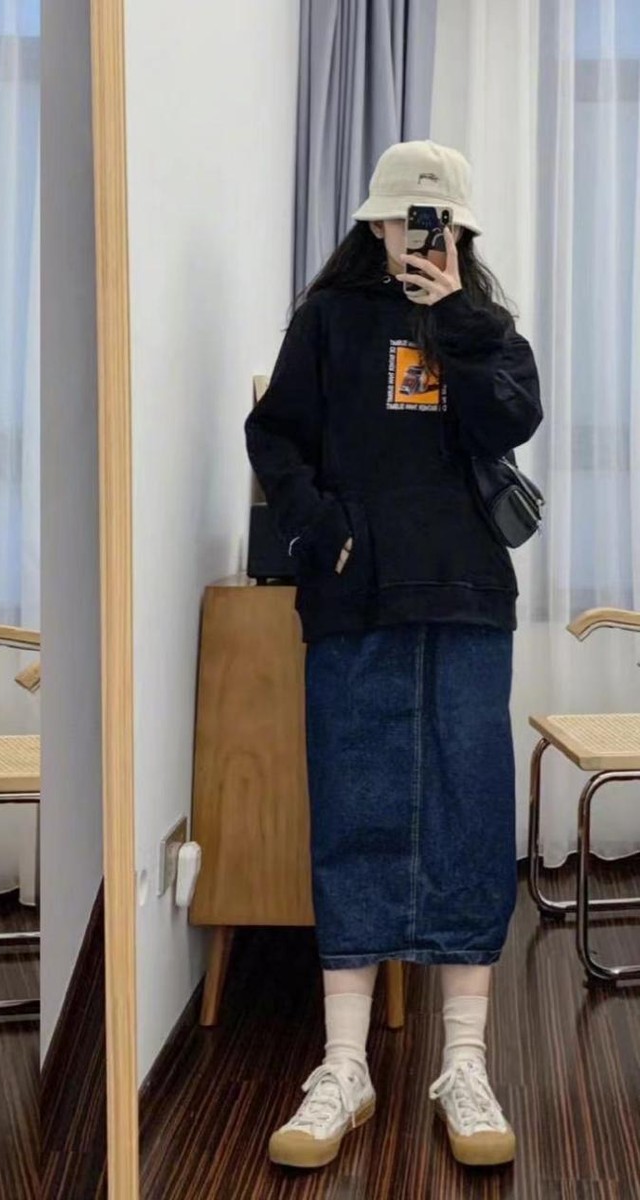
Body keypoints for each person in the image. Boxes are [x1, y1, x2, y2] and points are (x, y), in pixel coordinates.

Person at [246, 140, 542, 1171]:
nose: (416, 235)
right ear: (371, 222)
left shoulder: (485, 324)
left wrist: (456, 316)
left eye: (435, 220)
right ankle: (344, 1065)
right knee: (353, 808)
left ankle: (464, 1062)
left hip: (467, 595)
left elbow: (512, 418)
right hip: (354, 594)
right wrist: (319, 526)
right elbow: (274, 436)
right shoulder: (328, 319)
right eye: (401, 218)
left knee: (469, 811)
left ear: (459, 230)